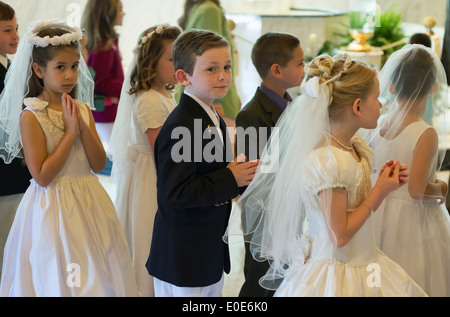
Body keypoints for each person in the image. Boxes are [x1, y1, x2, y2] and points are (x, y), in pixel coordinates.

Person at [224, 53, 427, 297]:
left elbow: (355, 210)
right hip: (336, 272)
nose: (381, 104)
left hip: (364, 261)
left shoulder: (354, 147)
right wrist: (378, 191)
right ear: (357, 106)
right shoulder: (329, 161)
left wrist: (385, 185)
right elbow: (339, 235)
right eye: (376, 97)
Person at [0, 20, 138, 296]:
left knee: (98, 273)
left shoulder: (83, 109)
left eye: (74, 66)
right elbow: (41, 175)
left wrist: (82, 125)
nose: (69, 75)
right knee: (60, 276)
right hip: (52, 206)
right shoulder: (31, 115)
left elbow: (98, 163)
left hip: (89, 201)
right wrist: (69, 133)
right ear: (39, 70)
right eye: (60, 67)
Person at [146, 29, 259, 297]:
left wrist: (242, 177)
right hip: (184, 256)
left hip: (206, 251)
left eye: (227, 67)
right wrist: (231, 178)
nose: (223, 76)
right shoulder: (182, 125)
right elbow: (176, 193)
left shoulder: (209, 113)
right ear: (183, 77)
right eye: (211, 69)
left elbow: (212, 170)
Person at [367, 44, 450, 296]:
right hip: (411, 226)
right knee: (412, 281)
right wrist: (443, 187)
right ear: (433, 86)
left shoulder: (377, 123)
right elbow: (417, 191)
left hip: (376, 212)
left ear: (391, 86)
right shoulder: (424, 132)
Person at [108, 24, 181, 297]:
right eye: (172, 58)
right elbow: (163, 153)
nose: (179, 63)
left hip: (155, 175)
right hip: (151, 180)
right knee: (148, 239)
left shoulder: (163, 94)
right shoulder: (150, 100)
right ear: (151, 61)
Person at [234, 32, 305, 297]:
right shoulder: (251, 115)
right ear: (276, 70)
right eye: (299, 63)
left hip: (290, 207)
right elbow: (256, 175)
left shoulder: (293, 104)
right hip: (265, 214)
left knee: (284, 276)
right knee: (259, 278)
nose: (304, 68)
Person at [0, 1, 31, 276]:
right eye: (7, 30)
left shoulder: (9, 66)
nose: (15, 36)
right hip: (3, 175)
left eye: (16, 29)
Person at [178, 0, 240, 125]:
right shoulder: (209, 10)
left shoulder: (199, 7)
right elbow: (210, 60)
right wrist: (216, 100)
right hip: (214, 99)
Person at [81, 0, 125, 168]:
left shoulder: (106, 41)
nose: (123, 14)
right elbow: (100, 82)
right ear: (108, 14)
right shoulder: (103, 44)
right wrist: (130, 90)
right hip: (106, 113)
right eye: (120, 10)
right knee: (120, 160)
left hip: (107, 112)